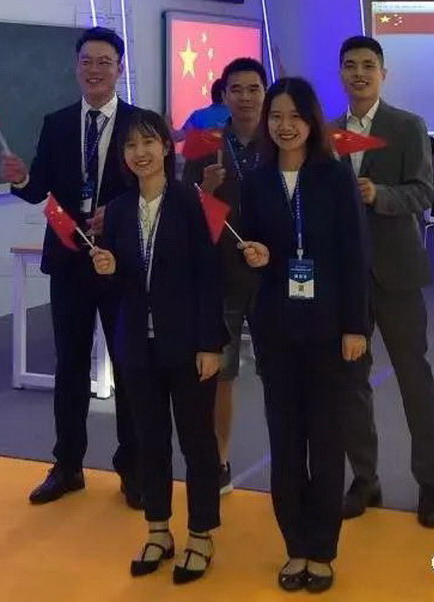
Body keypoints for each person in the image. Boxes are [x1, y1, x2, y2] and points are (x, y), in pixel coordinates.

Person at [0, 26, 141, 508]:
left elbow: (154, 190)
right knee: (71, 365)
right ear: (76, 66)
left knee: (128, 365)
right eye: (86, 61)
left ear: (119, 68)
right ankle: (68, 466)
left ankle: (133, 468)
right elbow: (40, 187)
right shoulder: (58, 122)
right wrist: (22, 180)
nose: (94, 70)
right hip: (69, 260)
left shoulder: (139, 125)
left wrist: (116, 215)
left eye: (104, 62)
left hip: (120, 263)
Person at [240, 77, 369, 594]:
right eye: (276, 116)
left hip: (328, 330)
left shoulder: (334, 177)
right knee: (286, 442)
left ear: (312, 121)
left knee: (327, 441)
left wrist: (355, 325)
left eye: (294, 116)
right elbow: (248, 251)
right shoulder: (257, 181)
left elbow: (354, 255)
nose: (285, 125)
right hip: (276, 329)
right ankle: (295, 545)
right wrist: (253, 256)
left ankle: (323, 550)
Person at [92, 109, 225, 584]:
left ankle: (201, 533)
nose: (140, 153)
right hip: (136, 344)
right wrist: (109, 268)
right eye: (131, 146)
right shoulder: (119, 209)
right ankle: (158, 530)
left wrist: (210, 343)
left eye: (148, 142)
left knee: (197, 442)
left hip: (187, 344)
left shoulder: (191, 202)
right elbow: (125, 282)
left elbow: (209, 277)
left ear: (167, 147)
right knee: (149, 440)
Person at [335, 35, 434, 529]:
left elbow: (422, 192)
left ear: (383, 73)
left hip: (398, 274)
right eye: (350, 65)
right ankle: (365, 478)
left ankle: (429, 484)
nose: (359, 73)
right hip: (347, 281)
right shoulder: (328, 133)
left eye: (368, 65)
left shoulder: (407, 126)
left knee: (414, 380)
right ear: (341, 73)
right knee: (351, 384)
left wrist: (378, 194)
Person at [182, 56, 267, 494]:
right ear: (223, 95)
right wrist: (208, 189)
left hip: (273, 274)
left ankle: (293, 461)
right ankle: (219, 460)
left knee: (283, 373)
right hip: (224, 274)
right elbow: (183, 208)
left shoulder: (283, 138)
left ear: (265, 93)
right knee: (221, 375)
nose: (246, 98)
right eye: (237, 90)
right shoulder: (204, 144)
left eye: (254, 89)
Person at [170, 78, 230, 143]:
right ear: (225, 94)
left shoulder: (198, 116)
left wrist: (167, 126)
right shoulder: (236, 115)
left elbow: (176, 137)